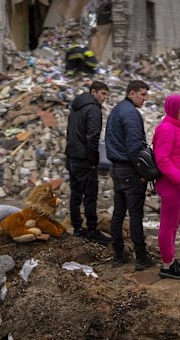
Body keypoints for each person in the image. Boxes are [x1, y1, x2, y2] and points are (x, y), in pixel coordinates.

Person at [105, 80, 154, 270]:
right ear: (131, 93)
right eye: (142, 95)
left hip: (117, 168)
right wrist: (143, 173)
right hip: (129, 169)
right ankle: (141, 257)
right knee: (135, 214)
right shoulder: (131, 114)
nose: (145, 99)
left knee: (118, 213)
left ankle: (118, 255)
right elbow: (135, 147)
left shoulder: (117, 110)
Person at [152, 95, 180, 279]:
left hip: (176, 183)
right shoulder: (167, 129)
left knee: (173, 224)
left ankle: (169, 259)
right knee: (168, 225)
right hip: (171, 184)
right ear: (173, 109)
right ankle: (167, 265)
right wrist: (178, 179)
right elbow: (162, 158)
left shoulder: (177, 127)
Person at [65, 81, 111, 245]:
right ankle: (91, 230)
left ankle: (77, 228)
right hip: (84, 159)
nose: (105, 97)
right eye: (102, 93)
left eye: (106, 94)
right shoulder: (93, 110)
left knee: (76, 194)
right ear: (93, 92)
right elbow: (92, 137)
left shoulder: (75, 108)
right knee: (90, 195)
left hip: (72, 156)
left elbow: (70, 133)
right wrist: (93, 160)